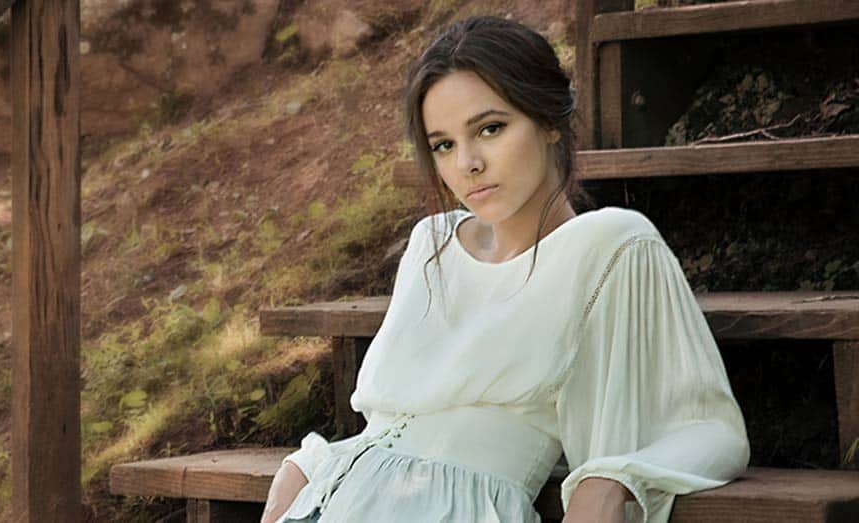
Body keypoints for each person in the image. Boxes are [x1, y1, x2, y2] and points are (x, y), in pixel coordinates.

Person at [260, 15, 750, 523]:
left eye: (489, 129)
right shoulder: (432, 243)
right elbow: (385, 424)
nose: (467, 163)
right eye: (443, 145)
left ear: (549, 121)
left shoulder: (612, 245)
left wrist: (610, 480)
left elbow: (711, 429)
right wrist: (307, 466)